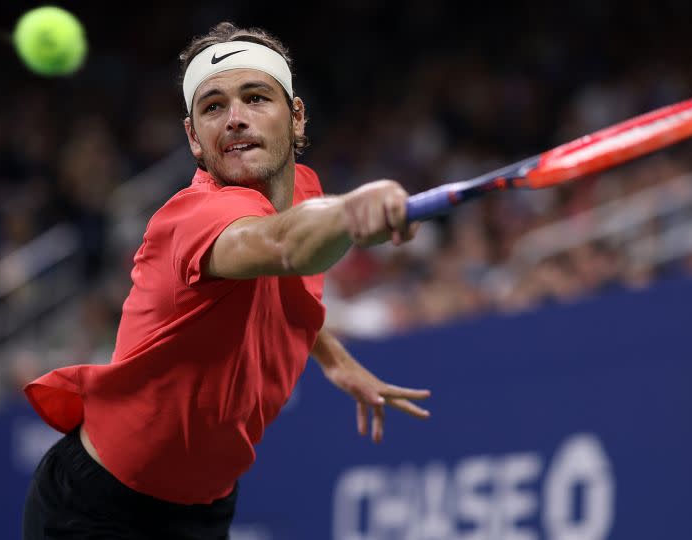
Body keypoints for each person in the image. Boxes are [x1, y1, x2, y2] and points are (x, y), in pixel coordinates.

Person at [22, 22, 432, 540]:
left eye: (256, 97)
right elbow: (281, 246)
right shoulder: (195, 218)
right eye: (214, 107)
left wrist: (333, 357)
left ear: (297, 116)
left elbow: (282, 281)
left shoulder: (303, 191)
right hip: (98, 508)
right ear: (195, 138)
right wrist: (352, 212)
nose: (236, 118)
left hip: (205, 509)